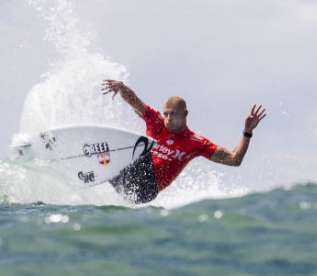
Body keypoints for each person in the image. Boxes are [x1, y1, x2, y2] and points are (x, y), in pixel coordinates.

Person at [101, 79, 266, 203]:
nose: (168, 118)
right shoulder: (156, 122)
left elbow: (234, 159)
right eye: (166, 114)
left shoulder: (196, 143)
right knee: (127, 147)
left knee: (141, 148)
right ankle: (97, 167)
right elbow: (135, 102)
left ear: (185, 114)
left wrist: (247, 132)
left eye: (173, 114)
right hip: (126, 182)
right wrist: (121, 88)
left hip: (146, 191)